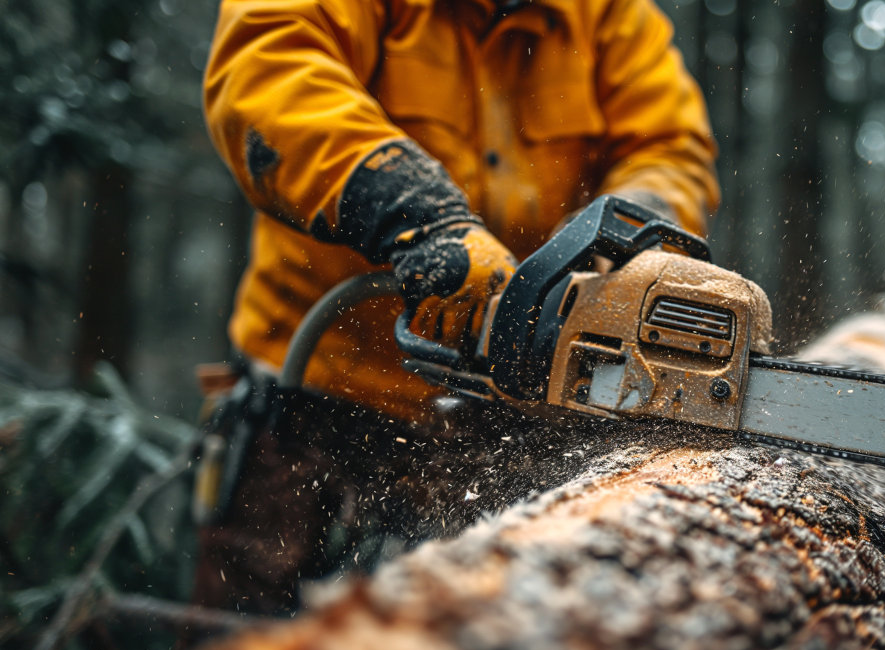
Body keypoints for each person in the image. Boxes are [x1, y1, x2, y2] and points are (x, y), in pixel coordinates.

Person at [192, 0, 720, 613]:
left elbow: (669, 147)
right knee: (236, 640)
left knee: (494, 646)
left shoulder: (606, 16)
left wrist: (622, 242)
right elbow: (269, 75)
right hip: (319, 388)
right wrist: (419, 217)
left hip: (511, 404)